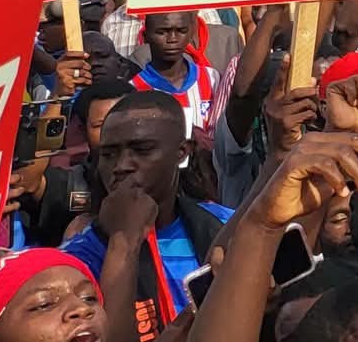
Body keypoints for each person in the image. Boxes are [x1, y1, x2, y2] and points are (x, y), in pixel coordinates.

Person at [61, 92, 232, 330]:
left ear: (182, 152)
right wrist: (123, 241)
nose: (121, 166)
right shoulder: (77, 257)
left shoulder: (225, 225)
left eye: (141, 150)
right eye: (108, 154)